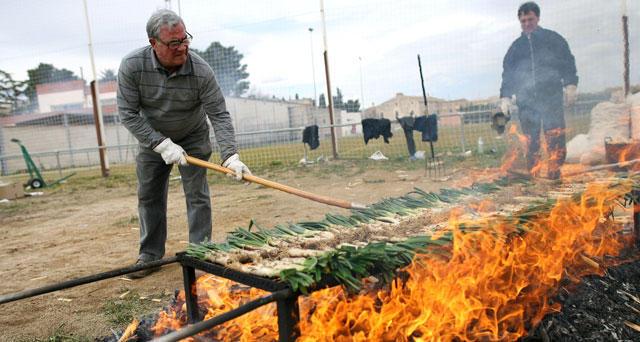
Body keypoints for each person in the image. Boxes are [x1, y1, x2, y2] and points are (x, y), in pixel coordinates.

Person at [117, 9, 251, 278]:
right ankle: (150, 255)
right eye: (174, 43)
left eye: (185, 39)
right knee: (149, 195)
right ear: (153, 43)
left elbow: (219, 115)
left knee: (197, 194)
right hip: (152, 139)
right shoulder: (132, 66)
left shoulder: (200, 70)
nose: (183, 47)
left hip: (192, 136)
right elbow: (127, 113)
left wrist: (230, 156)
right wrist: (161, 144)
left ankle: (200, 253)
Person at [500, 1, 578, 179]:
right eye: (523, 21)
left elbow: (567, 62)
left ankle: (555, 172)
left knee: (555, 136)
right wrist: (505, 96)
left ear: (538, 18)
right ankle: (533, 174)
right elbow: (508, 74)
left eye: (530, 19)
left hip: (551, 97)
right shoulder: (515, 48)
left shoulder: (553, 39)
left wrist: (570, 84)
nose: (527, 24)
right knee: (531, 139)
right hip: (526, 101)